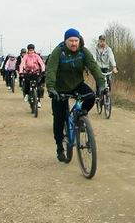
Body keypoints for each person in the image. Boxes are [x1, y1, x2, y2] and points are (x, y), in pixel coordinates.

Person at [45, 28, 106, 162]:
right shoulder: (58, 52)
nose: (73, 43)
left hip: (77, 84)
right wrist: (51, 88)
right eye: (71, 41)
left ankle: (80, 116)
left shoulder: (83, 52)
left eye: (76, 40)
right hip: (59, 88)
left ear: (79, 41)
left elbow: (94, 67)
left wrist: (101, 84)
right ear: (65, 41)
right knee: (59, 119)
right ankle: (60, 147)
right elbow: (51, 70)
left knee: (90, 96)